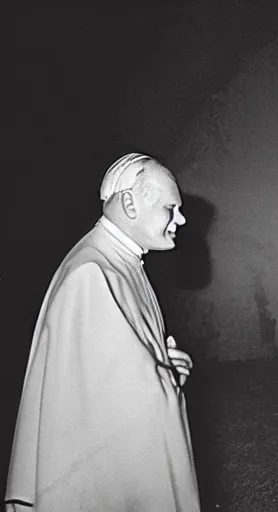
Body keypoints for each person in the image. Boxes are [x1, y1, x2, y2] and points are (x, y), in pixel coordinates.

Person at [4, 153, 201, 512]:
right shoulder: (92, 272)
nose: (181, 219)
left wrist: (160, 361)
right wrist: (164, 377)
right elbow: (116, 398)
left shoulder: (118, 259)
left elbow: (115, 365)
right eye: (170, 208)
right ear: (129, 203)